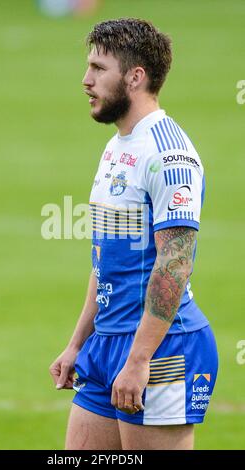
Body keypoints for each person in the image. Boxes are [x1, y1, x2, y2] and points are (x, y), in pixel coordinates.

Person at [49, 18, 218, 450]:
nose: (85, 81)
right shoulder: (118, 146)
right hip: (107, 343)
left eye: (98, 68)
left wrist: (140, 359)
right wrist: (77, 343)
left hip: (163, 350)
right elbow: (106, 260)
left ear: (135, 76)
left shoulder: (169, 154)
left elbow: (175, 264)